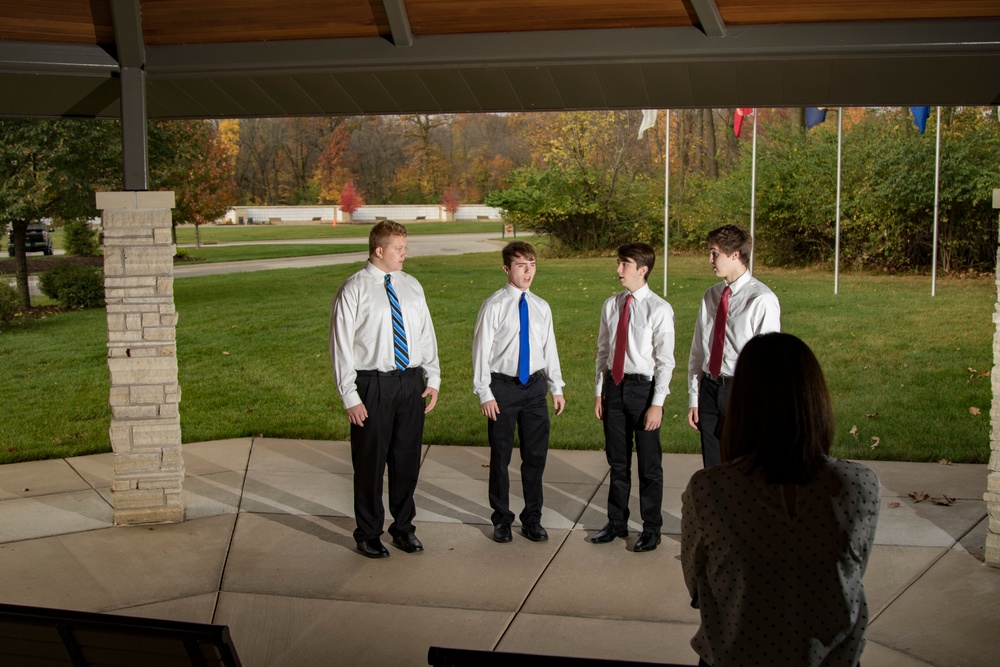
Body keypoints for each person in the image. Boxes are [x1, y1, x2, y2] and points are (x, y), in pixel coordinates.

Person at [682, 333, 881, 667]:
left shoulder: (711, 490)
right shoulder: (859, 485)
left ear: (741, 403)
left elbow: (698, 585)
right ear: (815, 399)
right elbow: (851, 572)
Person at [329, 220, 440, 559]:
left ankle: (404, 528)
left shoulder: (411, 285)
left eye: (405, 247)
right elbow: (341, 347)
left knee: (406, 462)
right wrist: (350, 396)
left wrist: (432, 377)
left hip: (410, 382)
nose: (405, 254)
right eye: (399, 248)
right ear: (379, 250)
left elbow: (425, 333)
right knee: (370, 464)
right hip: (372, 385)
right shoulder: (354, 289)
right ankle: (368, 533)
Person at [472, 241, 565, 543]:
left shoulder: (541, 306)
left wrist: (556, 387)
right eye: (521, 265)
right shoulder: (494, 306)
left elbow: (549, 348)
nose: (528, 271)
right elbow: (481, 351)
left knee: (535, 457)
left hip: (535, 388)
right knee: (500, 457)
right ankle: (501, 519)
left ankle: (532, 518)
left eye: (532, 264)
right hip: (503, 388)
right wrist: (485, 392)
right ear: (506, 269)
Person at [592, 242, 675, 552]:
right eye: (618, 263)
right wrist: (600, 392)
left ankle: (651, 527)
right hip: (614, 388)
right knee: (618, 462)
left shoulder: (659, 309)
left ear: (643, 270)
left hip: (643, 391)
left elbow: (665, 361)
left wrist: (657, 404)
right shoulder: (611, 305)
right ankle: (616, 522)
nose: (618, 269)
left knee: (649, 465)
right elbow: (603, 351)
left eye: (624, 264)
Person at [687, 224, 780, 468]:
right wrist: (694, 398)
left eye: (714, 253)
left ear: (735, 254)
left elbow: (768, 363)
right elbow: (698, 350)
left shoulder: (761, 299)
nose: (710, 260)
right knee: (712, 470)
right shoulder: (710, 296)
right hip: (709, 389)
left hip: (741, 391)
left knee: (741, 468)